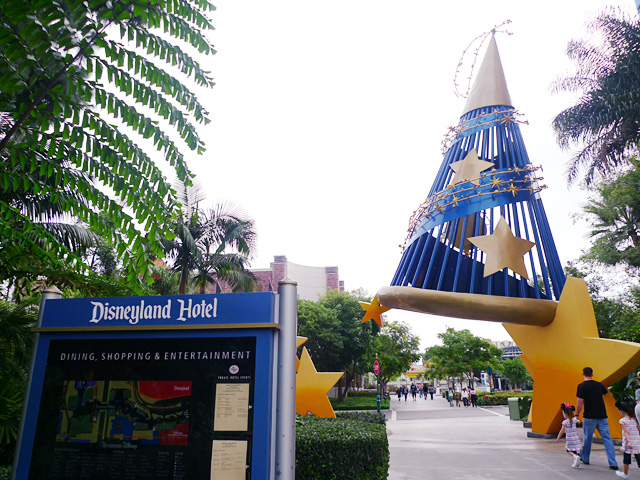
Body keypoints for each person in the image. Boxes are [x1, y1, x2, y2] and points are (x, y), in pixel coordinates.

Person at [576, 366, 619, 470]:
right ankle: (613, 462)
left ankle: (585, 458)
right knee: (607, 438)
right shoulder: (599, 385)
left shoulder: (581, 386)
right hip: (602, 415)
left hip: (589, 416)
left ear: (583, 374)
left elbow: (580, 401)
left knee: (587, 438)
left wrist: (577, 414)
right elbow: (605, 393)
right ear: (592, 374)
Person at [615, 400, 640, 479]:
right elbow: (639, 429)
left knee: (626, 459)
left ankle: (625, 474)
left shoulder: (623, 421)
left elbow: (625, 432)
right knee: (639, 458)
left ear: (621, 411)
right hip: (637, 442)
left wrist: (629, 442)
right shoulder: (634, 419)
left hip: (628, 443)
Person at [555, 403, 581, 469]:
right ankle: (576, 462)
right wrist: (576, 418)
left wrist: (558, 437)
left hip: (570, 439)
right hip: (576, 438)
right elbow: (579, 422)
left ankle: (575, 457)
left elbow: (562, 430)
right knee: (574, 450)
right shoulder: (574, 420)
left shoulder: (565, 422)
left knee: (568, 450)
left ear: (565, 414)